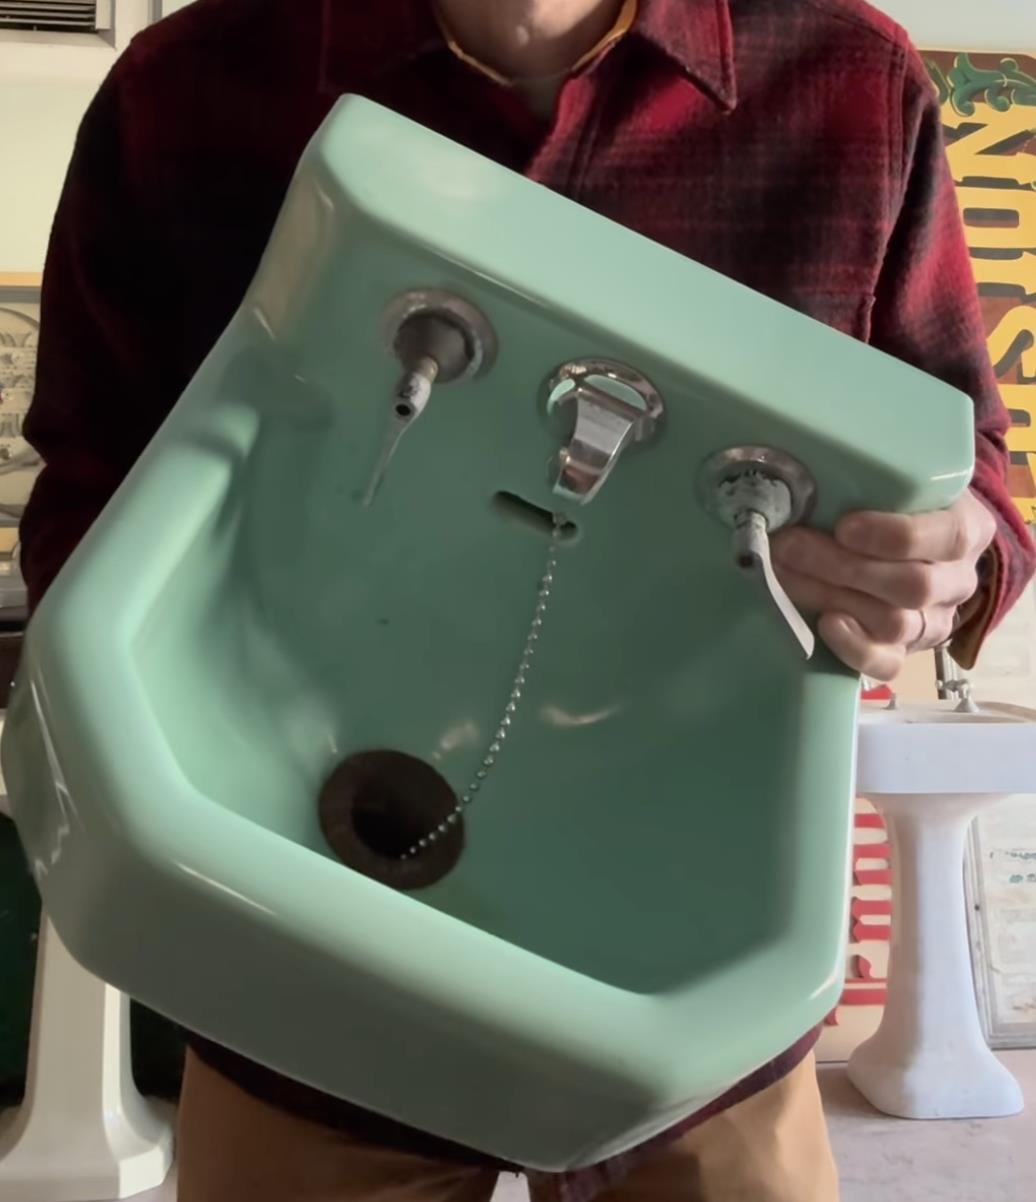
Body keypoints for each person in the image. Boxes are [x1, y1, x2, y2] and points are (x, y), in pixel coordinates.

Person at [19, 1, 1035, 1199]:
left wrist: (949, 560)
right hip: (301, 972)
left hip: (687, 970)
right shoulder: (189, 91)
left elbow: (966, 464)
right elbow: (90, 487)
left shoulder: (847, 87)